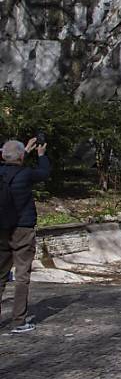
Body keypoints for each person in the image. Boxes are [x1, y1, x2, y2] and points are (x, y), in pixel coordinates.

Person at [0, 137, 50, 333]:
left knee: (1, 275)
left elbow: (9, 158)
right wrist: (40, 155)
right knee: (22, 275)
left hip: (2, 229)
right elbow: (44, 173)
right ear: (21, 157)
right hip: (23, 228)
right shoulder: (25, 173)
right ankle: (18, 320)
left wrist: (23, 152)